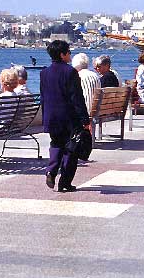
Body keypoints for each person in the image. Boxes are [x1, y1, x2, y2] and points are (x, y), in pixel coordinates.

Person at [40, 40, 90, 192]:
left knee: (55, 143)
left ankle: (51, 170)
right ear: (62, 55)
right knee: (71, 148)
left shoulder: (44, 73)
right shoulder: (71, 72)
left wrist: (45, 117)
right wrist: (84, 119)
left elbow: (43, 97)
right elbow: (77, 98)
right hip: (69, 118)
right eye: (68, 52)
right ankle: (65, 182)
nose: (70, 55)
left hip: (51, 116)